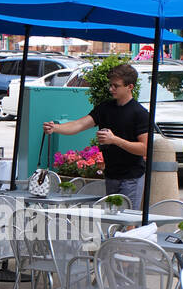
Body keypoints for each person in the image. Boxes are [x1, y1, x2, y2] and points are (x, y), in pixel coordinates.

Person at [42, 62, 149, 210]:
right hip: (111, 174)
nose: (111, 89)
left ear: (129, 87)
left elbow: (145, 149)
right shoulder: (105, 108)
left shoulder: (140, 113)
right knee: (113, 218)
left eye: (116, 86)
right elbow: (79, 125)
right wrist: (55, 128)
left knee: (128, 219)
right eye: (110, 85)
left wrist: (114, 140)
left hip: (132, 177)